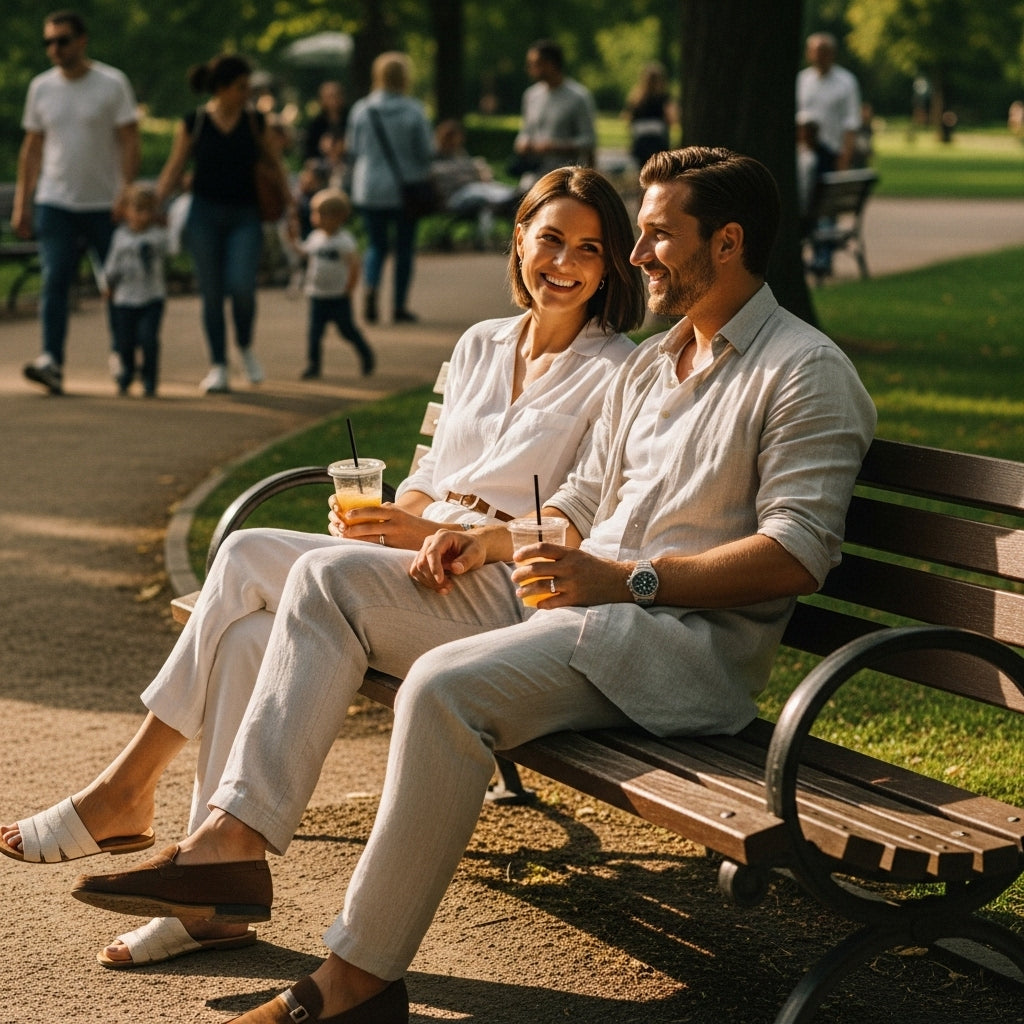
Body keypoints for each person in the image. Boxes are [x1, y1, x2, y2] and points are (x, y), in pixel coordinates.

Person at [63, 147, 876, 1021]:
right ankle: (233, 848)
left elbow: (798, 551)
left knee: (442, 689)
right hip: (577, 618)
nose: (638, 257)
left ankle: (350, 981)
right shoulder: (654, 364)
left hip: (677, 656)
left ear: (727, 244)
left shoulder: (804, 371)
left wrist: (624, 578)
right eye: (635, 237)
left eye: (652, 236)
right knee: (325, 580)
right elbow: (579, 502)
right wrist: (485, 542)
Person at [1, 166, 646, 972]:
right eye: (550, 238)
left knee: (241, 554)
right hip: (407, 571)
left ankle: (125, 791)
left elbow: (577, 520)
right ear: (518, 239)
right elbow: (427, 475)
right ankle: (211, 901)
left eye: (589, 248)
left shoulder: (621, 370)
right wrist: (388, 521)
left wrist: (448, 531)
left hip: (502, 598)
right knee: (248, 638)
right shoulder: (480, 342)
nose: (566, 261)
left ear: (611, 263)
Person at [15, 9, 140, 396]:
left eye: (63, 40)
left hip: (106, 203)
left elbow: (130, 139)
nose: (55, 48)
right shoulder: (41, 87)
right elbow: (32, 147)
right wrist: (24, 201)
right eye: (49, 41)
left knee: (115, 283)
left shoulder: (111, 83)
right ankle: (51, 360)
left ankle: (122, 352)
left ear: (81, 40)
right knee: (55, 280)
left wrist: (127, 190)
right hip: (56, 201)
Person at [154, 53, 295, 394]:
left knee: (242, 287)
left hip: (245, 215)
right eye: (241, 87)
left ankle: (244, 347)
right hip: (204, 214)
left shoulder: (254, 122)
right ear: (222, 87)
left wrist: (292, 207)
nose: (247, 93)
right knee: (212, 294)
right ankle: (218, 364)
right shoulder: (195, 123)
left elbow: (274, 165)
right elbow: (175, 167)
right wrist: (153, 204)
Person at [344, 52, 433, 325]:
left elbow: (353, 149)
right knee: (404, 248)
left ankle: (371, 288)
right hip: (406, 188)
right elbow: (426, 151)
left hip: (369, 187)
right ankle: (399, 306)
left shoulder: (362, 109)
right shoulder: (414, 110)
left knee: (375, 245)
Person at [293, 187, 376, 380]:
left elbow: (354, 265)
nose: (315, 218)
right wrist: (292, 240)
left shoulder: (345, 241)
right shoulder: (315, 238)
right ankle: (313, 366)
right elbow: (304, 252)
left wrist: (350, 288)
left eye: (320, 214)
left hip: (338, 296)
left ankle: (366, 355)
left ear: (338, 217)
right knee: (314, 334)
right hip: (317, 295)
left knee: (347, 331)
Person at [797, 33, 861, 279]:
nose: (819, 56)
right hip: (805, 153)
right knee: (806, 203)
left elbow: (851, 122)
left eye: (824, 50)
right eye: (815, 50)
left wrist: (845, 154)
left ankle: (822, 256)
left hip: (831, 152)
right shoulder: (802, 81)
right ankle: (812, 253)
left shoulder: (845, 82)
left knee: (825, 206)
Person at [102, 183, 169, 397]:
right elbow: (111, 265)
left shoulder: (158, 237)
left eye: (148, 210)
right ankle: (127, 372)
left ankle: (150, 376)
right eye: (138, 210)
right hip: (125, 298)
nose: (143, 216)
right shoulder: (120, 238)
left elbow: (172, 250)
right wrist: (109, 284)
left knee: (148, 338)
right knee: (125, 340)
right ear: (127, 211)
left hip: (152, 296)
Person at [511, 39, 597, 190]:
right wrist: (523, 143)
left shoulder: (578, 97)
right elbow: (525, 132)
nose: (529, 68)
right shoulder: (531, 96)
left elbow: (589, 140)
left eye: (534, 63)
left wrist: (556, 146)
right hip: (533, 173)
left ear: (550, 64)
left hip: (565, 177)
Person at [430, 119, 517, 248]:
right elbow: (450, 178)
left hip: (471, 189)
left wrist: (478, 169)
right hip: (455, 196)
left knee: (485, 189)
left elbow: (471, 171)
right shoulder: (435, 158)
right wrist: (474, 171)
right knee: (479, 191)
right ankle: (505, 198)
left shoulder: (460, 154)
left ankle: (510, 194)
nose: (459, 141)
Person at [623, 62, 675, 168]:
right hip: (658, 141)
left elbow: (628, 118)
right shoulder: (664, 98)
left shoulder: (636, 99)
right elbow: (671, 119)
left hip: (641, 141)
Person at [304, 81, 350, 163]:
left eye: (336, 96)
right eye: (329, 97)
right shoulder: (316, 124)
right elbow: (308, 152)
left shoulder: (350, 119)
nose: (333, 100)